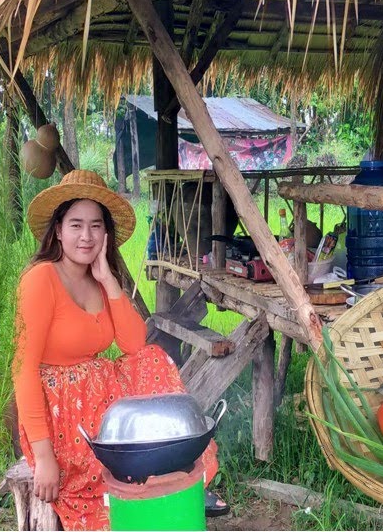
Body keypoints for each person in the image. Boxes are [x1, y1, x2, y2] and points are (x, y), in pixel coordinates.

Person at [13, 169, 227, 529]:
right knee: (113, 475)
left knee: (152, 359)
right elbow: (22, 369)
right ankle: (140, 497)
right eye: (76, 225)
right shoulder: (41, 279)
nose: (86, 236)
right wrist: (44, 455)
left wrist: (108, 280)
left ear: (106, 234)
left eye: (96, 226)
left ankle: (177, 478)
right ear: (58, 230)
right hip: (62, 411)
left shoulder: (98, 280)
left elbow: (133, 343)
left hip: (101, 396)